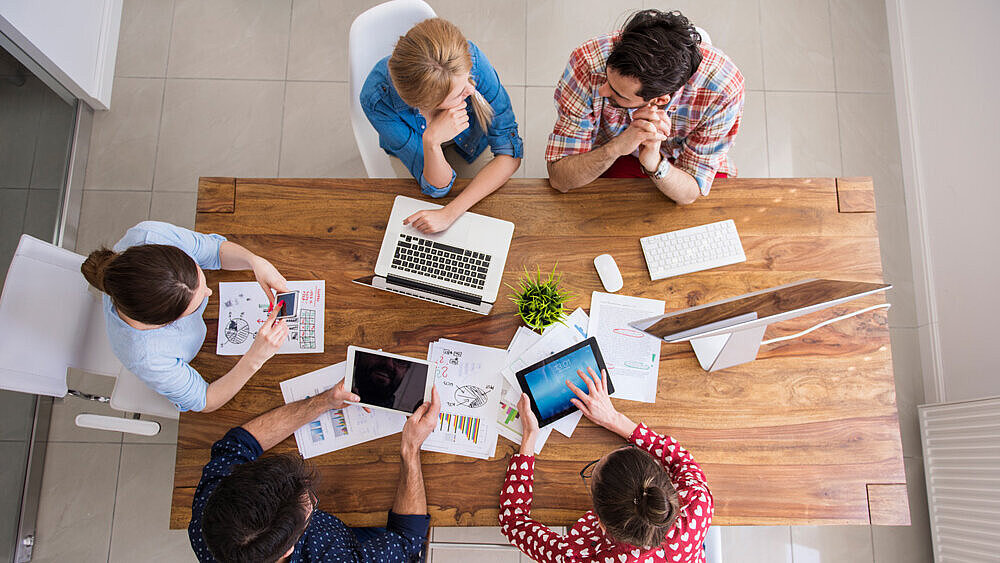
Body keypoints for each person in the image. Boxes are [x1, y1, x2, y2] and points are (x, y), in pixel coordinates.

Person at [189, 381, 441, 562]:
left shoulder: (211, 515)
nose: (310, 492)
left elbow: (238, 444)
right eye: (310, 502)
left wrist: (324, 401)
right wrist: (411, 447)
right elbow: (407, 539)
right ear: (288, 550)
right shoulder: (335, 557)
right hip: (352, 544)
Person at [499, 367, 713, 563]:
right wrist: (613, 418)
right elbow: (680, 460)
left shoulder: (579, 556)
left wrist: (528, 436)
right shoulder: (697, 502)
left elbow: (513, 521)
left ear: (599, 522)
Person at [81, 221, 289, 413]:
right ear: (168, 323)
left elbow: (214, 250)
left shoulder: (150, 235)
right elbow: (206, 400)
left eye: (200, 276)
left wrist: (254, 261)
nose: (209, 292)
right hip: (205, 360)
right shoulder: (147, 357)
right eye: (195, 304)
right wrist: (255, 358)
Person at [545, 9, 745, 205]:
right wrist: (615, 148)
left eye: (618, 93)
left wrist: (654, 162)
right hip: (614, 154)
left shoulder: (723, 89)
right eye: (607, 78)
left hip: (683, 161)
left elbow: (689, 193)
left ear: (659, 100)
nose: (603, 91)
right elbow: (559, 179)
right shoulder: (586, 62)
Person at [361, 18, 523, 234]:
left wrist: (449, 213)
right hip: (421, 151)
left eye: (467, 79)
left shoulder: (467, 59)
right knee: (418, 210)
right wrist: (432, 142)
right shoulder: (376, 99)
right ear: (425, 105)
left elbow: (509, 153)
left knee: (487, 216)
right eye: (458, 94)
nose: (470, 90)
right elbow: (436, 188)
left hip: (473, 142)